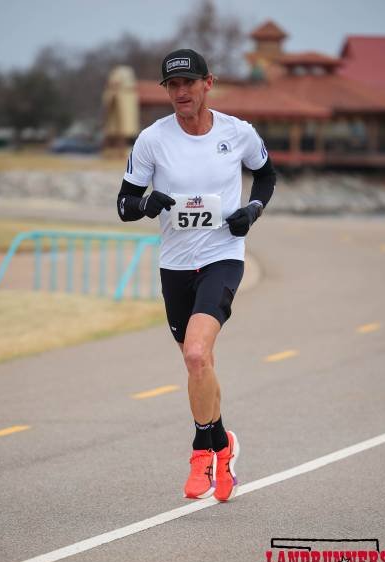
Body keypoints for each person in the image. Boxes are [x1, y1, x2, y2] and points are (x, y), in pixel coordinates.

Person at [117, 49, 276, 502]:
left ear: (209, 83)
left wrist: (253, 209)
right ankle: (224, 445)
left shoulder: (237, 133)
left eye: (189, 82)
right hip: (175, 265)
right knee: (200, 365)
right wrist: (146, 204)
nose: (181, 92)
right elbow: (125, 204)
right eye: (173, 85)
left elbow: (266, 176)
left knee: (195, 353)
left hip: (222, 256)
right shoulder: (152, 140)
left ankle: (200, 452)